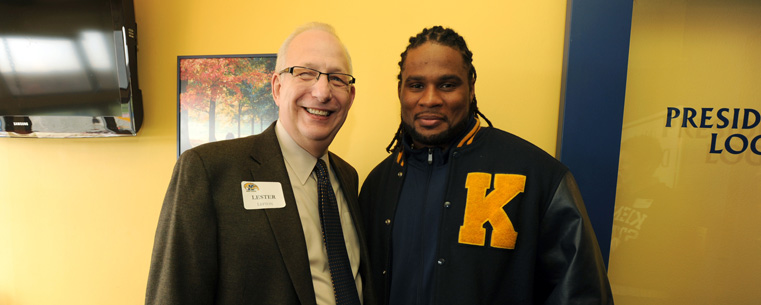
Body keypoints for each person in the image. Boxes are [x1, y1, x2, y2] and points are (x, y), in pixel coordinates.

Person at [359, 26, 613, 305]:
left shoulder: (537, 175)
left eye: (447, 85)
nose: (429, 99)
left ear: (470, 89)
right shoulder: (377, 184)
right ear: (400, 90)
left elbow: (582, 294)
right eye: (416, 85)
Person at [146, 22, 375, 305]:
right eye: (305, 73)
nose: (322, 91)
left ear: (350, 98)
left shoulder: (347, 177)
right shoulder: (208, 170)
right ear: (277, 88)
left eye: (337, 79)